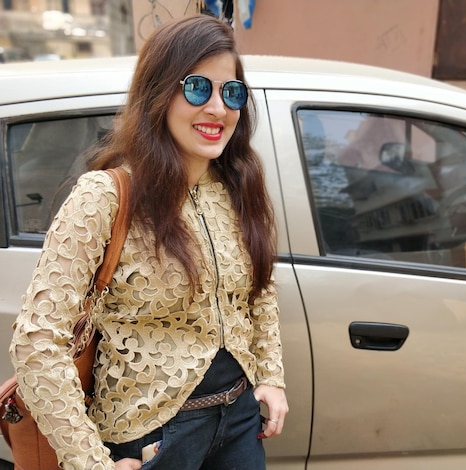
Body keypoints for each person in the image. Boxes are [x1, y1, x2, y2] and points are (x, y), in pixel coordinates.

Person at [9, 14, 288, 470]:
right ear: (159, 93)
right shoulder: (104, 195)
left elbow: (260, 289)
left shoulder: (236, 185)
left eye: (231, 92)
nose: (218, 109)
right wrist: (92, 463)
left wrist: (271, 376)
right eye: (199, 88)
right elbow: (36, 343)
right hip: (153, 439)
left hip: (239, 423)